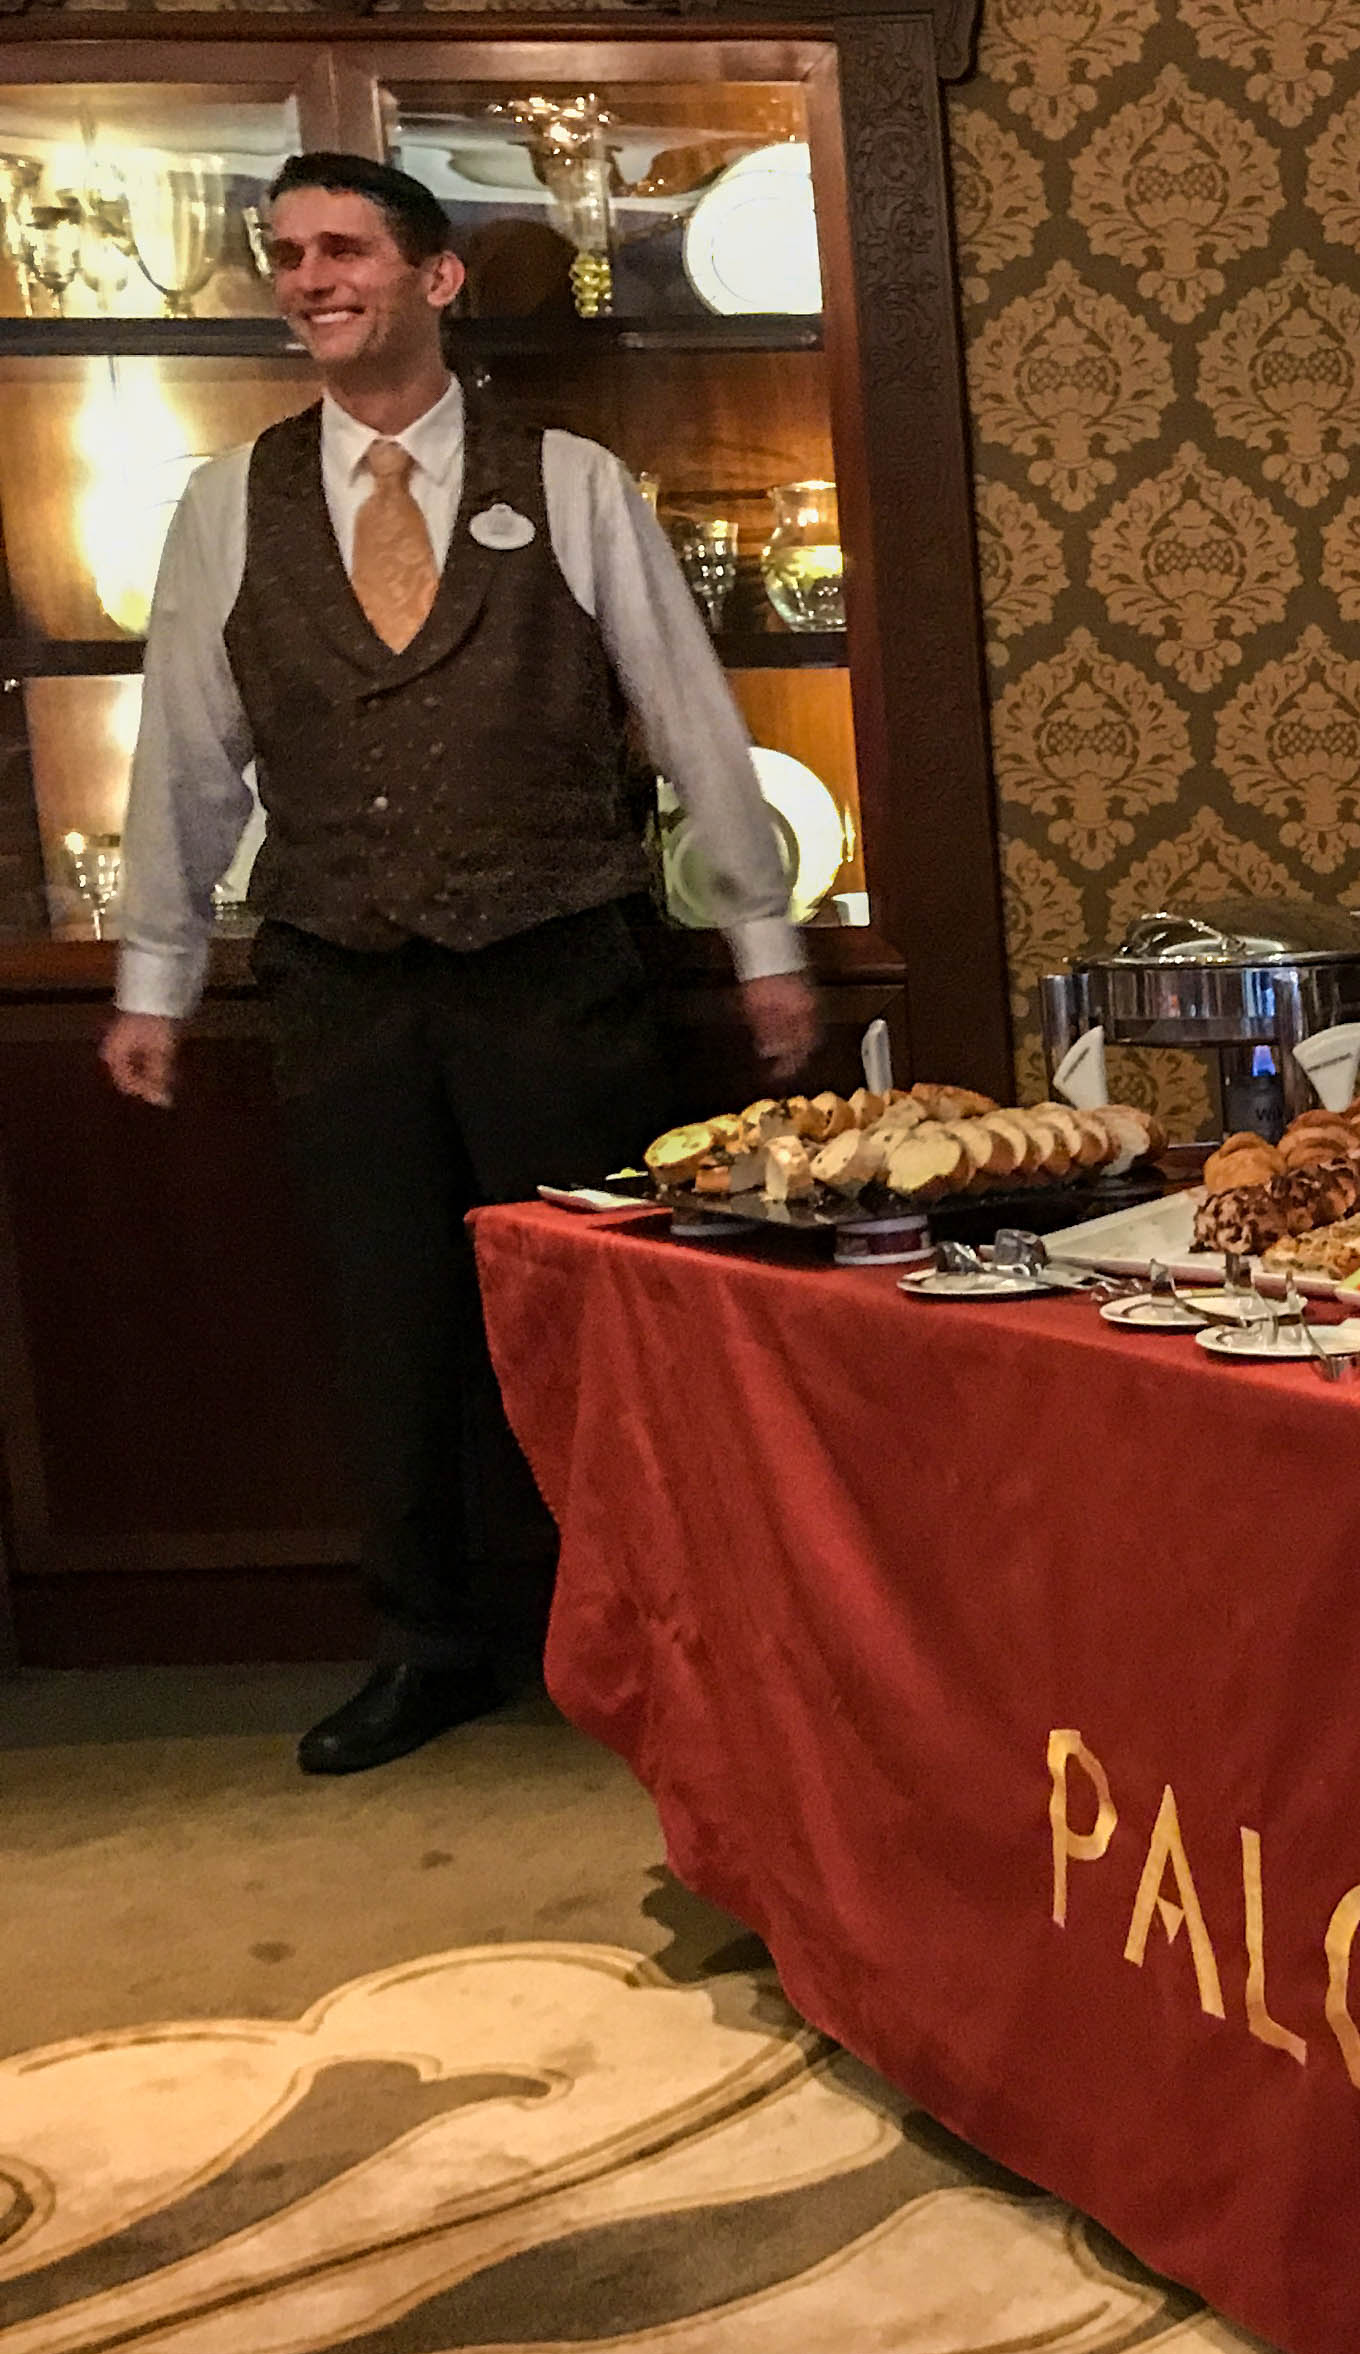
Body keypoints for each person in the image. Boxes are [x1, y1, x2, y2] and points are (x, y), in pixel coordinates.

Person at [98, 153, 817, 1774]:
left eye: (343, 249)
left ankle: (644, 1641)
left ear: (434, 279)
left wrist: (761, 941)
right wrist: (156, 979)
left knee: (596, 1327)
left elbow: (689, 714)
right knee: (391, 1331)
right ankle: (428, 1649)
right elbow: (185, 758)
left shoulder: (569, 478)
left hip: (556, 967)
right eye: (288, 253)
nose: (309, 278)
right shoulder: (229, 504)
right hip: (340, 982)